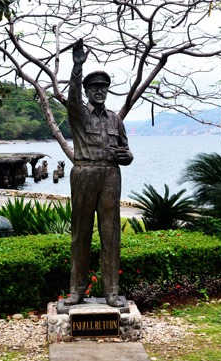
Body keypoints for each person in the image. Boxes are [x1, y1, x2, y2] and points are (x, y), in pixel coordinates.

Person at [64, 39, 133, 308]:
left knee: (110, 233)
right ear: (87, 91)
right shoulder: (79, 113)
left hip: (110, 177)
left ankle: (111, 291)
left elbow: (126, 151)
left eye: (104, 87)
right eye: (95, 88)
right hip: (84, 174)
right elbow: (71, 96)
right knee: (81, 233)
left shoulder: (115, 119)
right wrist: (76, 67)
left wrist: (127, 157)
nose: (100, 91)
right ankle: (77, 290)